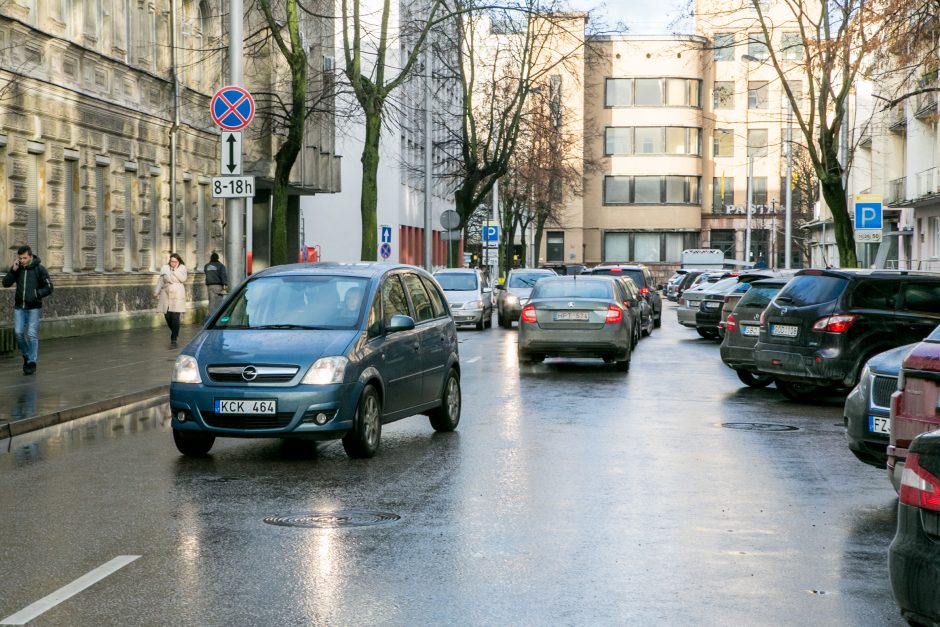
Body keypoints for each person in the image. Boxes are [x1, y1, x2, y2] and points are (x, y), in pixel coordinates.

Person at [2, 245, 53, 375]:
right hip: (19, 307)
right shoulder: (18, 269)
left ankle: (31, 362)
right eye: (20, 258)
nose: (22, 260)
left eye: (25, 258)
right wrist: (13, 270)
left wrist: (36, 294)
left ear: (30, 256)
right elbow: (5, 283)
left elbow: (49, 287)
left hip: (34, 307)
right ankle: (26, 354)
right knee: (18, 333)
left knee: (31, 334)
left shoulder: (40, 270)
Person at [154, 253, 188, 348]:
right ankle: (175, 331)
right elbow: (160, 281)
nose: (173, 263)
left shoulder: (182, 268)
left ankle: (174, 337)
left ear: (178, 261)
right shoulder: (165, 268)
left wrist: (175, 270)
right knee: (167, 315)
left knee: (175, 316)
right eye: (171, 261)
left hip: (177, 293)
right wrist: (156, 292)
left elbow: (183, 279)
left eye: (175, 261)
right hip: (166, 293)